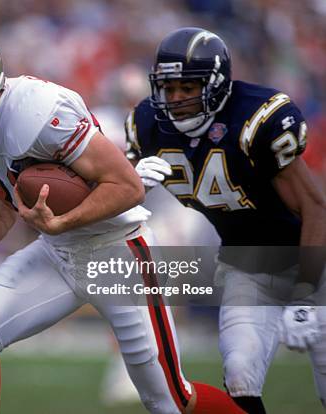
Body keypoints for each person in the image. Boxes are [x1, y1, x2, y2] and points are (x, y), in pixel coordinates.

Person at [0, 26, 244, 414]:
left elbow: (126, 187)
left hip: (118, 252)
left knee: (171, 399)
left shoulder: (38, 112)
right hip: (58, 252)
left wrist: (65, 220)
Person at [126, 27, 326, 413]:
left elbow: (314, 207)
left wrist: (306, 294)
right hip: (249, 262)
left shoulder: (256, 117)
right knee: (239, 375)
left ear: (216, 85)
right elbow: (118, 198)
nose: (177, 99)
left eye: (188, 88)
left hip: (314, 260)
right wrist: (131, 185)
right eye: (169, 89)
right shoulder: (148, 126)